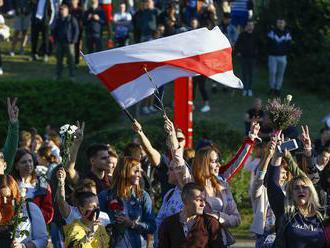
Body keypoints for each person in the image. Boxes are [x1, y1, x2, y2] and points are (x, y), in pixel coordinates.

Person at [192, 121, 260, 246]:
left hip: (220, 241)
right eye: (213, 161)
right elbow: (179, 164)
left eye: (218, 160)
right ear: (202, 162)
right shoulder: (190, 185)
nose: (218, 164)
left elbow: (236, 219)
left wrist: (218, 216)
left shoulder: (221, 183)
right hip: (197, 241)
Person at [267, 146, 327, 247]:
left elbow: (313, 181)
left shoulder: (322, 215)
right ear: (291, 193)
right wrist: (277, 156)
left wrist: (308, 155)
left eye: (304, 187)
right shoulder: (285, 212)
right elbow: (272, 184)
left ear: (311, 191)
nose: (300, 190)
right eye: (296, 188)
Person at [99, 157, 156, 247]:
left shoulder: (143, 196)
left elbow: (152, 226)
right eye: (136, 171)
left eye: (140, 171)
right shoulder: (105, 196)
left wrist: (132, 224)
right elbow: (98, 225)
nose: (139, 175)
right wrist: (112, 224)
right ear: (124, 171)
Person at [158, 182, 224, 247]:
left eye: (204, 200)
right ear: (185, 201)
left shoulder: (210, 223)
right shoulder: (168, 224)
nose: (203, 204)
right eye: (198, 200)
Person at [0, 174, 48, 248]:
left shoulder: (29, 208)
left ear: (15, 193)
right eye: (1, 197)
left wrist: (23, 246)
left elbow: (42, 240)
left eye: (9, 197)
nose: (5, 201)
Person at [13, 148, 54, 224]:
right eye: (23, 162)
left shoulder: (42, 183)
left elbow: (49, 213)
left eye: (30, 161)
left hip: (36, 229)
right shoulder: (12, 184)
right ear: (16, 166)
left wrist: (33, 214)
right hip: (15, 230)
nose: (28, 164)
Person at [52, 3, 79, 80]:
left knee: (71, 59)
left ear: (67, 10)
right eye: (61, 9)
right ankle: (58, 75)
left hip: (69, 42)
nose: (62, 11)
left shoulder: (72, 19)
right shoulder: (58, 20)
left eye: (63, 9)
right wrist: (54, 40)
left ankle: (72, 75)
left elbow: (76, 30)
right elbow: (54, 30)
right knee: (59, 60)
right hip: (59, 42)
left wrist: (74, 40)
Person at [267, 18, 292, 95]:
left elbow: (289, 45)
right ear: (276, 23)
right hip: (272, 56)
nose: (280, 24)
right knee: (272, 72)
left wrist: (284, 52)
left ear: (285, 24)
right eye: (279, 22)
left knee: (280, 73)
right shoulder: (272, 33)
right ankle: (272, 88)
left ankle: (278, 89)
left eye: (282, 23)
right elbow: (268, 44)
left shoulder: (287, 34)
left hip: (283, 57)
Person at [235, 20, 258, 96]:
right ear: (246, 26)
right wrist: (238, 52)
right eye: (248, 25)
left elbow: (259, 46)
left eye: (251, 25)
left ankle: (250, 89)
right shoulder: (242, 35)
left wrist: (256, 53)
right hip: (244, 57)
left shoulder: (255, 35)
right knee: (244, 73)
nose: (250, 27)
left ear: (253, 27)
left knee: (251, 74)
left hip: (252, 58)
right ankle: (245, 89)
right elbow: (237, 44)